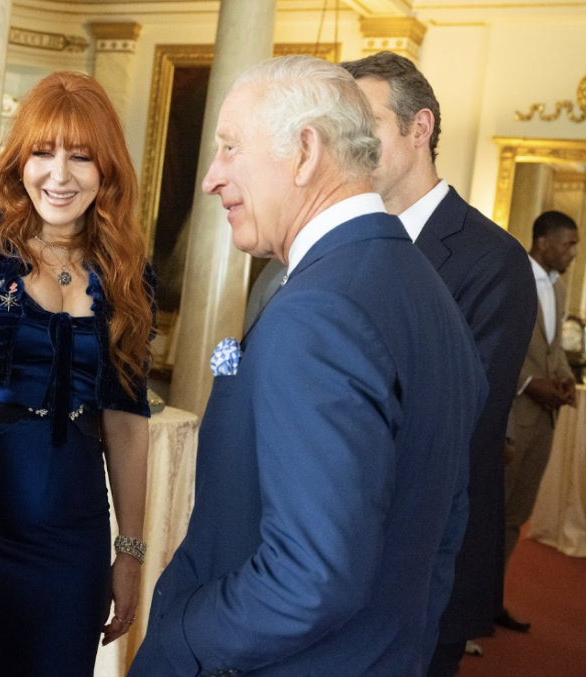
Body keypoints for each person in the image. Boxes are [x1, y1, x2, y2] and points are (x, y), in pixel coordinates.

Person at [129, 55, 487, 677]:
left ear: (303, 151)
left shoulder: (319, 310)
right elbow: (444, 533)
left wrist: (180, 637)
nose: (212, 178)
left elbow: (309, 579)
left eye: (230, 147)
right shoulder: (426, 291)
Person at [0, 71, 153, 676]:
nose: (59, 176)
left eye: (80, 157)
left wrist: (129, 552)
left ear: (106, 168)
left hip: (72, 543)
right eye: (43, 153)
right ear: (18, 161)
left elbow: (127, 419)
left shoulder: (129, 273)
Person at [340, 51, 538, 675]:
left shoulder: (493, 260)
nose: (349, 142)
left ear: (418, 128)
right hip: (331, 556)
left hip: (422, 563)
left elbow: (461, 424)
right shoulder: (338, 240)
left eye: (363, 122)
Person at [503, 210, 579, 625]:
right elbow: (491, 343)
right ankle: (463, 605)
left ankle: (492, 598)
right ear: (544, 241)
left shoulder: (560, 289)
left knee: (517, 515)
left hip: (544, 420)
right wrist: (529, 383)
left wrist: (564, 380)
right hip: (512, 417)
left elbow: (553, 351)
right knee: (491, 513)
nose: (573, 252)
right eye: (568, 244)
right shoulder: (512, 279)